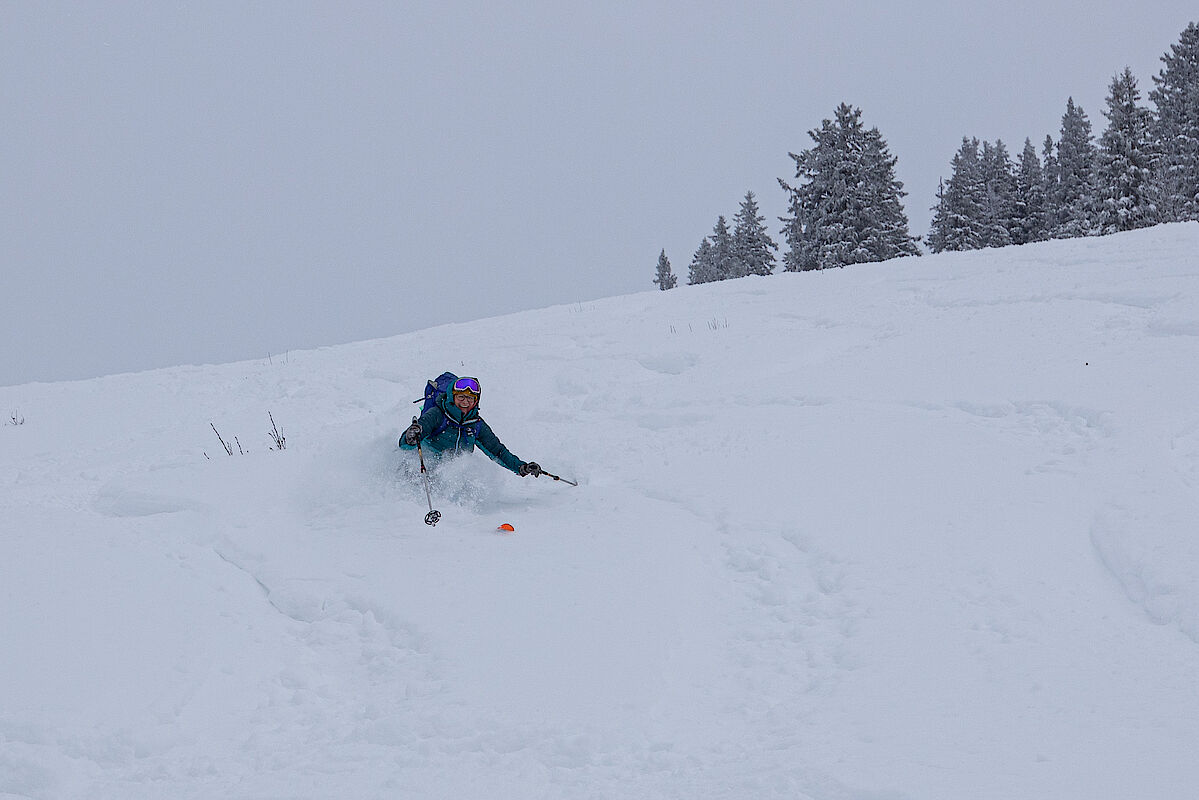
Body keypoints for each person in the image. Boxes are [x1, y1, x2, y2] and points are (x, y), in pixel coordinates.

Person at [399, 376, 541, 477]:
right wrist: (410, 437)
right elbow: (404, 443)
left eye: (470, 398)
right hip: (422, 470)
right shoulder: (437, 414)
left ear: (476, 401)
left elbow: (498, 451)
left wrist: (521, 467)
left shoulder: (476, 424)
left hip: (451, 476)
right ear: (452, 397)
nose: (465, 402)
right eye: (461, 397)